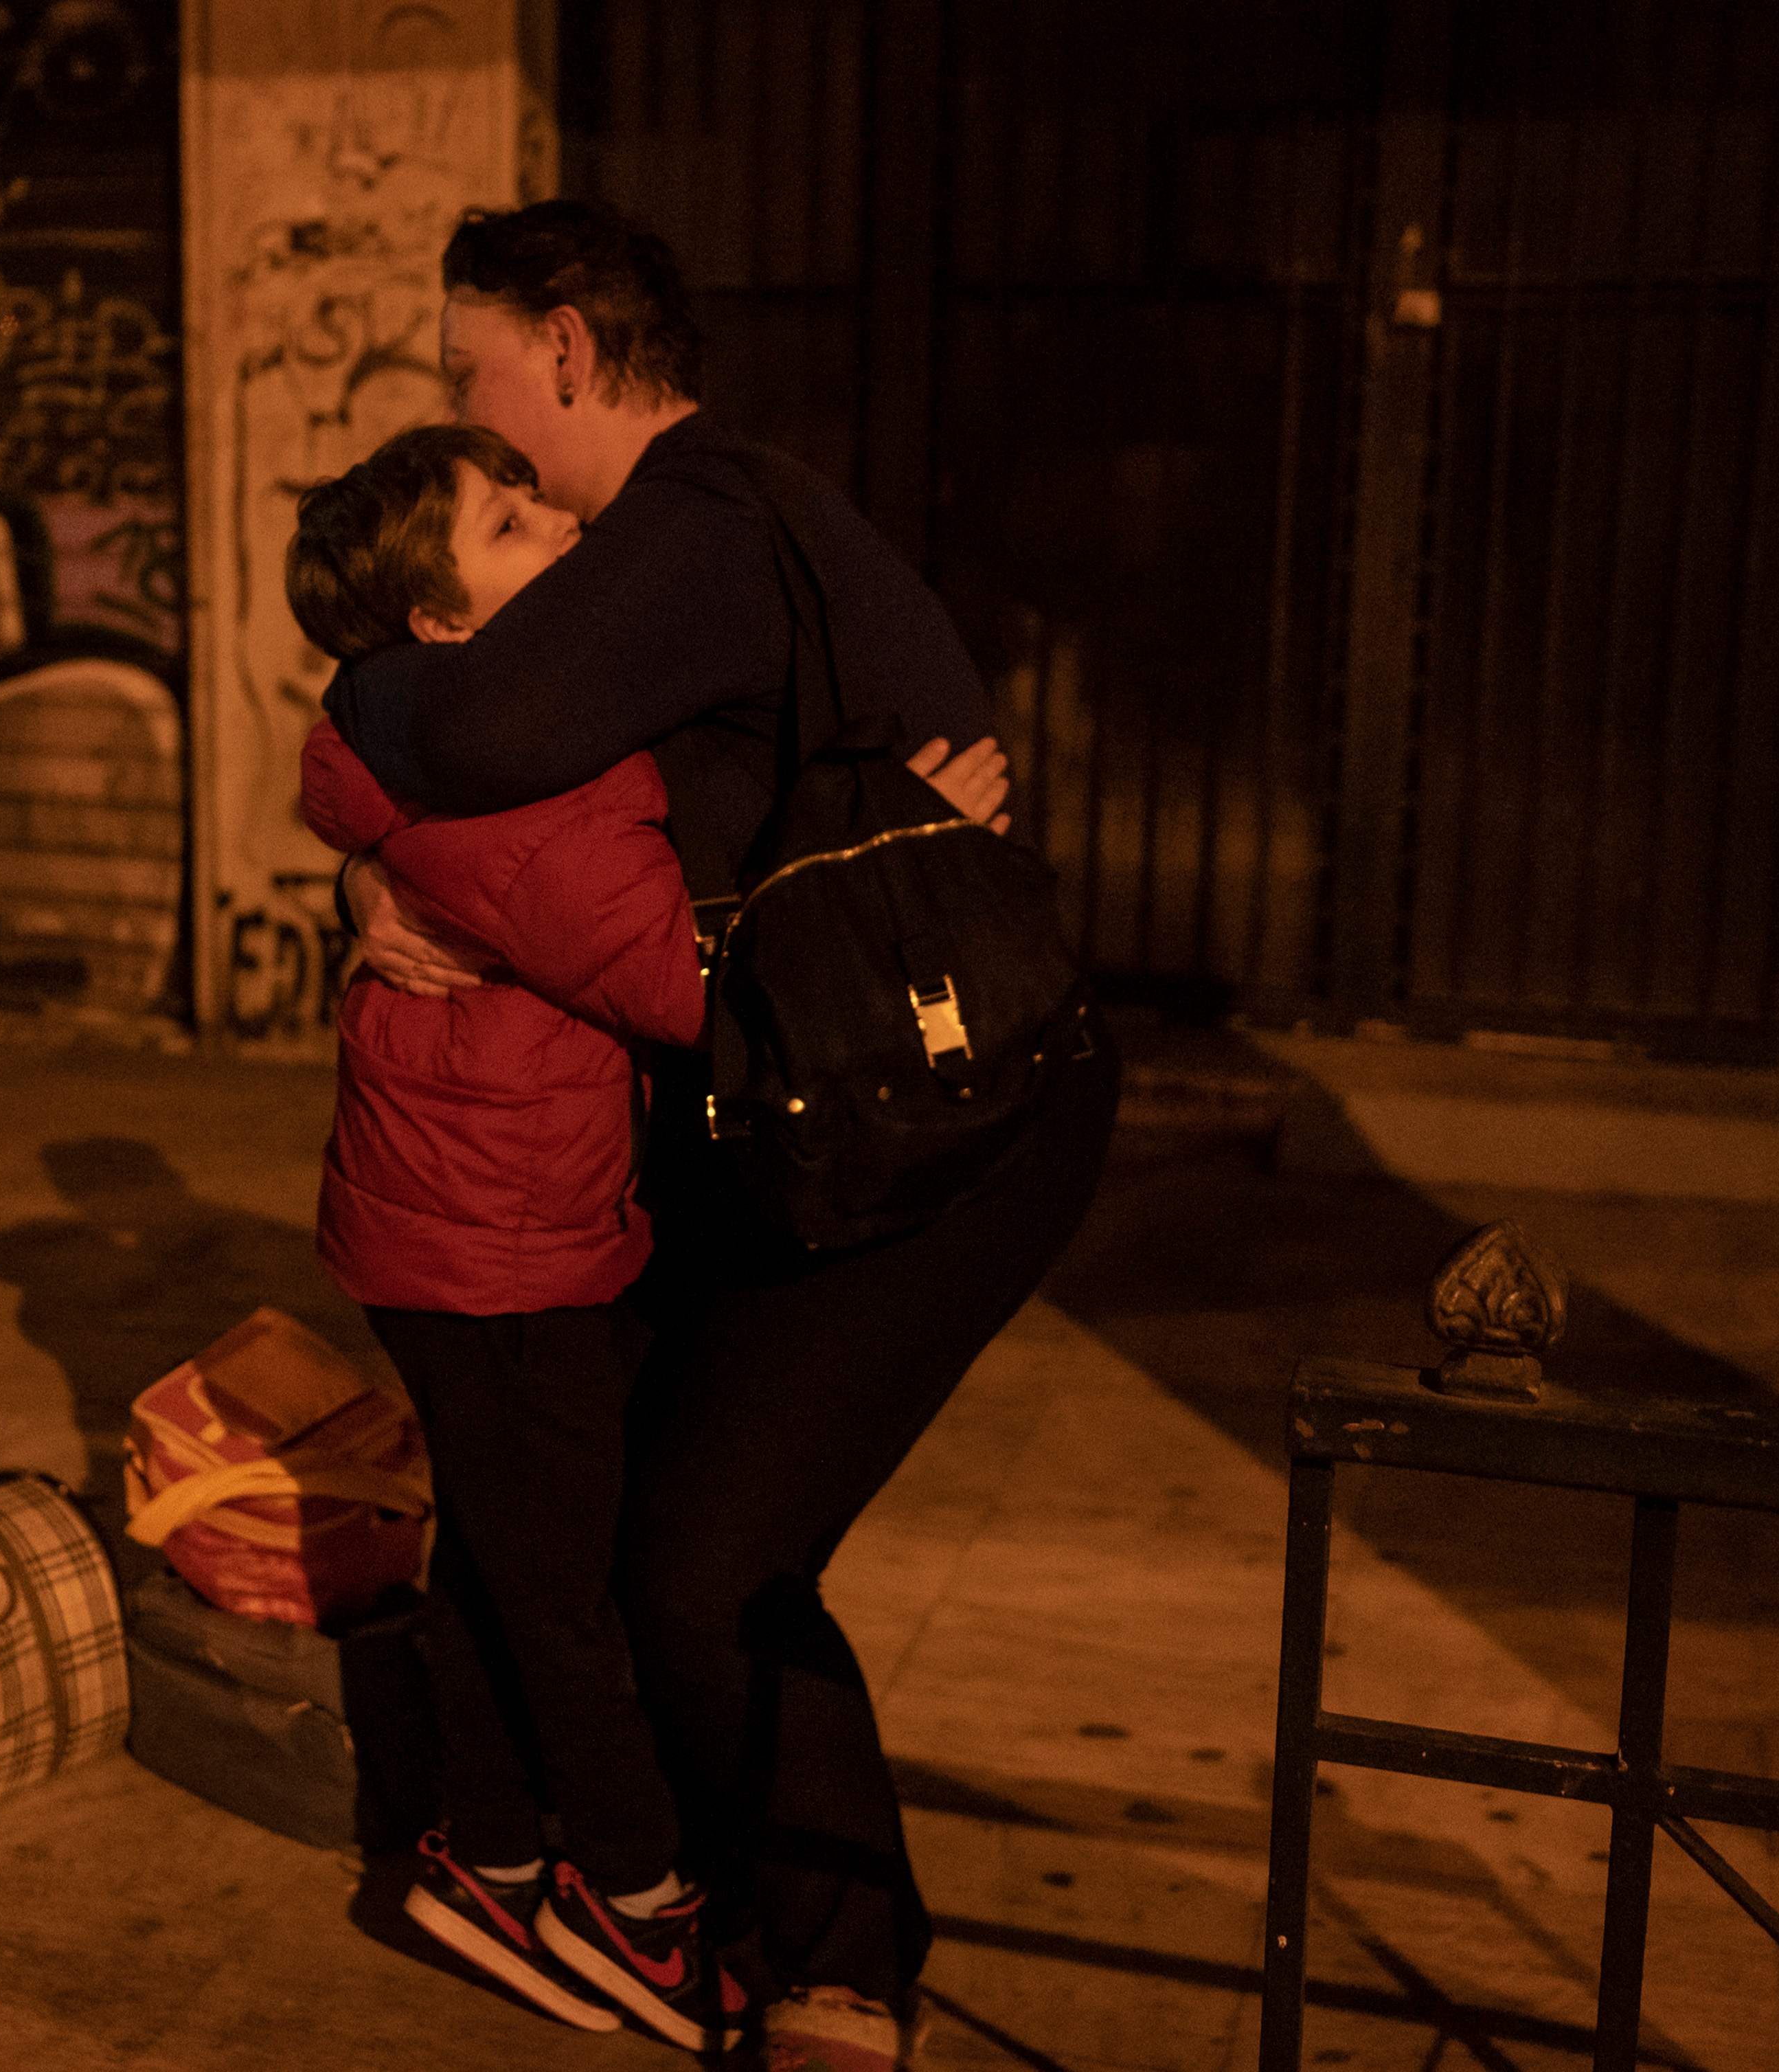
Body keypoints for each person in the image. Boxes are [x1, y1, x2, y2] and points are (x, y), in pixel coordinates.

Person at [324, 200, 1120, 2072]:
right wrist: (393, 870)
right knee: (619, 1517)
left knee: (704, 1556)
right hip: (818, 1108)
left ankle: (834, 1964)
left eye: (476, 370)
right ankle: (596, 1860)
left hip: (933, 1124)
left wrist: (366, 747)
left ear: (571, 353)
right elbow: (529, 783)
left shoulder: (695, 519)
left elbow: (464, 718)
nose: (475, 408)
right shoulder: (677, 546)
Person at [288, 420, 727, 2049]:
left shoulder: (449, 741)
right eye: (505, 518)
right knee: (563, 1582)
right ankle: (637, 1895)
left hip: (475, 1215)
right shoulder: (515, 785)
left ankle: (484, 1848)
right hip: (491, 1241)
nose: (553, 519)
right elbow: (683, 984)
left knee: (499, 1542)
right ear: (443, 624)